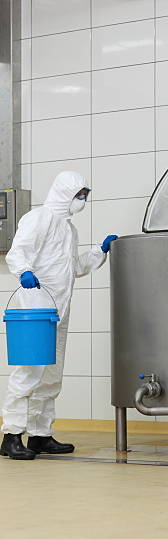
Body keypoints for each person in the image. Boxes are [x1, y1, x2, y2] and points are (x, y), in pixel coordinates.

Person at [0, 171, 118, 460]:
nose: (83, 201)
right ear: (66, 193)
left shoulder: (69, 229)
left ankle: (40, 434)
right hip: (35, 308)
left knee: (51, 375)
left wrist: (99, 251)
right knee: (29, 371)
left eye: (84, 196)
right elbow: (18, 252)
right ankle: (11, 435)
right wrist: (24, 271)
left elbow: (73, 267)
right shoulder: (38, 218)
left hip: (58, 311)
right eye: (80, 195)